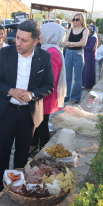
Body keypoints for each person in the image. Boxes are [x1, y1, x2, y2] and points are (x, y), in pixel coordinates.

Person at [0, 20, 54, 199]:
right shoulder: (6, 52)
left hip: (29, 113)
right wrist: (10, 91)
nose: (18, 43)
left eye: (24, 40)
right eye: (17, 38)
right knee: (2, 152)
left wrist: (32, 95)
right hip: (7, 111)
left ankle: (17, 187)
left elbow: (49, 86)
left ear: (36, 41)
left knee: (22, 153)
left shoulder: (44, 57)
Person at [29, 23, 66, 154]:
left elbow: (52, 77)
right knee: (38, 121)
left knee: (41, 123)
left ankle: (43, 149)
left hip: (45, 95)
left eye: (42, 33)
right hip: (44, 93)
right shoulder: (50, 49)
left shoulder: (52, 52)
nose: (40, 36)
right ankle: (34, 145)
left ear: (50, 34)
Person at [63, 13, 89, 104]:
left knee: (77, 78)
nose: (74, 21)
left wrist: (70, 43)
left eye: (77, 19)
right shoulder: (70, 29)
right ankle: (66, 96)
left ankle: (75, 98)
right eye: (74, 19)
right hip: (68, 53)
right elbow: (65, 42)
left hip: (78, 54)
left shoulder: (85, 30)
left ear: (81, 20)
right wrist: (76, 43)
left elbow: (83, 44)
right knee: (67, 77)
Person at [82, 25, 98, 89]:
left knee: (88, 69)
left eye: (89, 29)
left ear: (92, 30)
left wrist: (82, 47)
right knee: (86, 69)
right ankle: (86, 84)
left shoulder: (93, 38)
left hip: (90, 56)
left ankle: (87, 85)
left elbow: (91, 48)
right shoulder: (89, 37)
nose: (87, 30)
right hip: (87, 55)